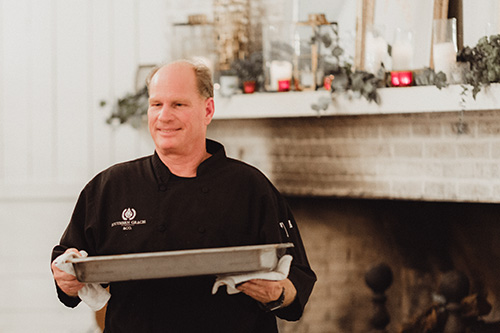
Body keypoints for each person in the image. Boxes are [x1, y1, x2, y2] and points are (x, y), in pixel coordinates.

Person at [51, 60, 316, 332]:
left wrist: (278, 293)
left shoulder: (251, 187)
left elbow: (298, 279)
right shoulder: (110, 186)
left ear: (208, 110)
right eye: (156, 104)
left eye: (178, 104)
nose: (164, 116)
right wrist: (66, 278)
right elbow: (68, 265)